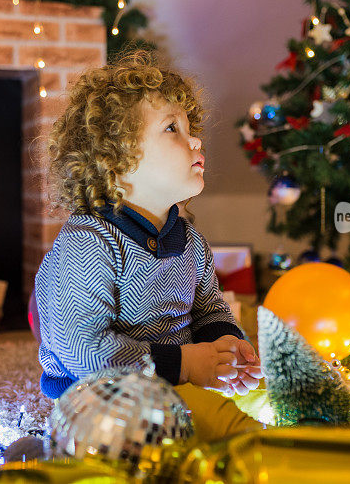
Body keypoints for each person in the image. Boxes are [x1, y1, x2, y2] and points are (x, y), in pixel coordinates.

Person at [34, 49, 264, 440]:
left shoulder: (189, 241)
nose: (195, 141)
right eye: (172, 128)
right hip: (101, 393)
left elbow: (208, 308)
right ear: (115, 159)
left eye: (191, 128)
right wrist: (186, 364)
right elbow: (83, 349)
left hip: (175, 378)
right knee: (226, 431)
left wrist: (223, 345)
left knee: (274, 398)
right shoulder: (88, 243)